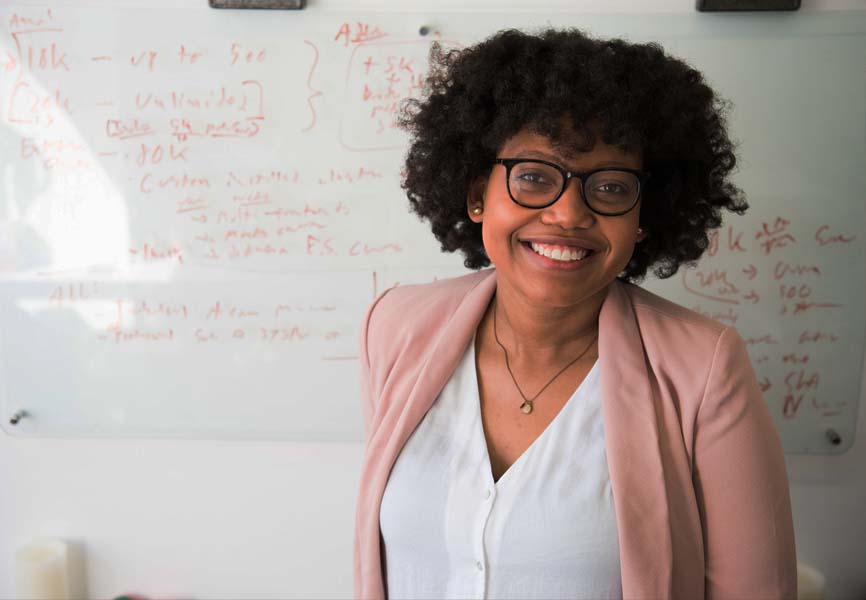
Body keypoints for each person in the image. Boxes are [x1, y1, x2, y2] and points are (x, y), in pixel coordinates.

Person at [354, 28, 796, 600]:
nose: (567, 214)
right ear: (476, 193)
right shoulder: (394, 328)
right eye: (535, 176)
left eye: (610, 187)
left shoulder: (703, 369)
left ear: (644, 216)